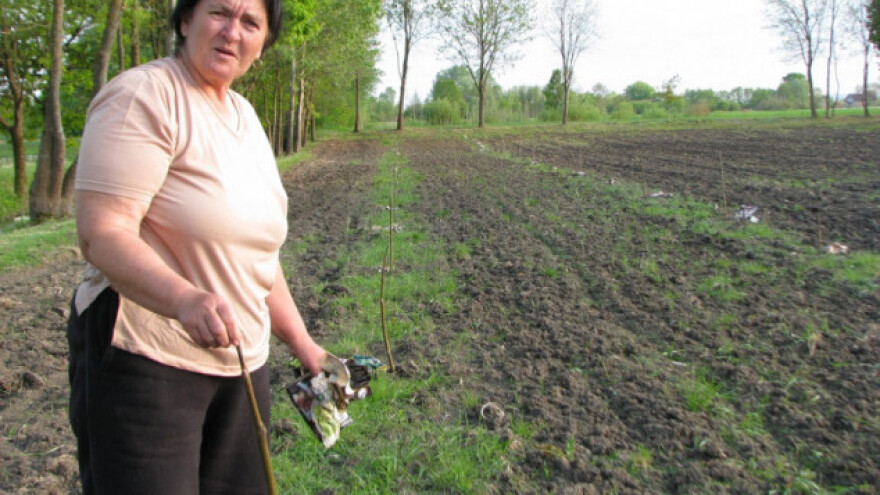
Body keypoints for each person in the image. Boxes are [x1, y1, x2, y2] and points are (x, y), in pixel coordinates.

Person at [66, 0, 327, 493]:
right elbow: (102, 231)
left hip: (242, 367)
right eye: (219, 13)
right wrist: (184, 299)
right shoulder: (144, 96)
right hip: (145, 363)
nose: (233, 32)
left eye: (250, 22)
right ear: (185, 20)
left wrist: (302, 343)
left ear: (263, 43)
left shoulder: (245, 118)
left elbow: (257, 258)